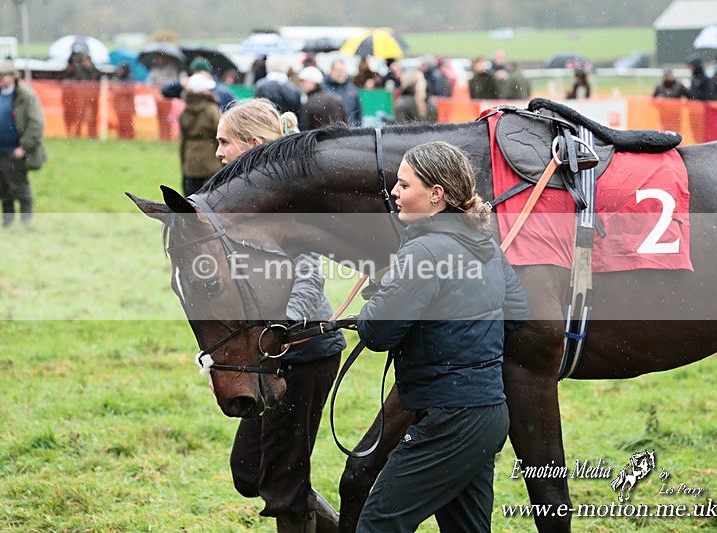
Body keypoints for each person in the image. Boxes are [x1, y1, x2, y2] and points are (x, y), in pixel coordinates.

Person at [355, 141, 529, 532]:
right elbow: (518, 315)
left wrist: (383, 300)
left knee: (378, 524)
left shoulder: (423, 252)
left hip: (450, 421)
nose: (394, 193)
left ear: (436, 196)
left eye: (404, 185)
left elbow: (376, 332)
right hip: (487, 416)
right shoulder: (486, 244)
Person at [214, 97, 346, 533]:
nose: (217, 153)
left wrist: (272, 330)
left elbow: (308, 279)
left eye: (224, 142)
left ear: (252, 144)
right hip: (269, 356)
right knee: (250, 471)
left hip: (304, 354)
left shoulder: (286, 202)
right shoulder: (245, 201)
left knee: (283, 484)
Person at [0, 58, 47, 226]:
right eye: (0, 75)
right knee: (2, 189)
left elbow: (36, 124)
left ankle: (25, 223)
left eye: (3, 75)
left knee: (20, 188)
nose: (0, 78)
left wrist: (23, 147)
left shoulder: (25, 96)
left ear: (13, 76)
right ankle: (8, 222)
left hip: (14, 152)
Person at [178, 73, 220, 197]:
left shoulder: (185, 110)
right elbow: (219, 133)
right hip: (211, 162)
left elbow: (183, 139)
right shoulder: (211, 109)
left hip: (190, 162)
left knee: (191, 201)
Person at [161, 57, 236, 111]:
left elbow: (231, 110)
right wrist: (180, 83)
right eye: (196, 74)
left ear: (209, 74)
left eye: (202, 73)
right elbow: (165, 91)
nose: (199, 77)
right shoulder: (188, 88)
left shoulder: (222, 91)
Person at [146, 52, 182, 141]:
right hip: (158, 99)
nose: (158, 59)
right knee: (161, 119)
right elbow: (149, 83)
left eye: (160, 57)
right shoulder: (154, 69)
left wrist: (164, 87)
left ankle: (169, 137)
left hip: (169, 99)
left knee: (169, 119)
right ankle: (163, 138)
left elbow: (174, 82)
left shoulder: (171, 68)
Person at [297, 66, 346, 130]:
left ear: (313, 83)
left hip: (319, 139)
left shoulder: (309, 103)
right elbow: (345, 122)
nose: (301, 84)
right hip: (338, 138)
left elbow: (305, 129)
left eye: (303, 81)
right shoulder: (335, 98)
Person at [323, 59, 362, 126]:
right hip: (330, 131)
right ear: (330, 71)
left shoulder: (352, 89)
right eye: (338, 70)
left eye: (343, 70)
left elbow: (358, 113)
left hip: (350, 131)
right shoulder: (323, 88)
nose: (341, 73)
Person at [110, 62, 136, 140]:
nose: (119, 71)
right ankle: (121, 137)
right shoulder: (117, 78)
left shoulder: (130, 78)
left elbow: (128, 91)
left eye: (120, 69)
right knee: (121, 122)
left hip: (127, 106)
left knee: (128, 122)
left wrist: (119, 90)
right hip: (120, 106)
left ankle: (129, 137)